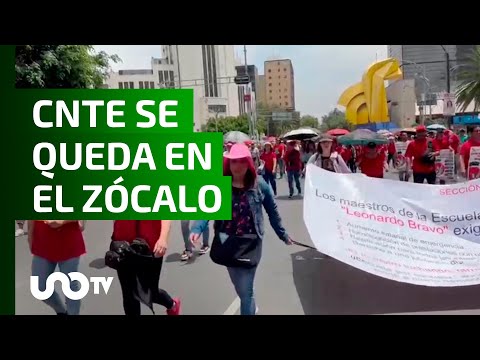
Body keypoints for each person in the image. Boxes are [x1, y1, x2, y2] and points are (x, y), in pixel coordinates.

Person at [189, 143, 293, 315]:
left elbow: (272, 212)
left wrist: (283, 234)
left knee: (246, 291)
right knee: (240, 286)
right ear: (228, 164)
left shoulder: (259, 185)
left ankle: (248, 306)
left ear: (248, 163)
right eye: (233, 162)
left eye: (242, 162)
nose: (238, 166)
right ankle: (250, 305)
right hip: (226, 241)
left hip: (251, 242)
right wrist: (197, 228)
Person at [111, 220, 181, 315]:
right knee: (129, 294)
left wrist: (163, 238)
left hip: (150, 246)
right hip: (123, 245)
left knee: (150, 293)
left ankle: (172, 304)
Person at [28, 220, 86, 315]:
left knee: (70, 288)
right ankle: (61, 311)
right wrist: (30, 234)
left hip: (68, 240)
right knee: (40, 288)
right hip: (42, 241)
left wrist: (63, 221)